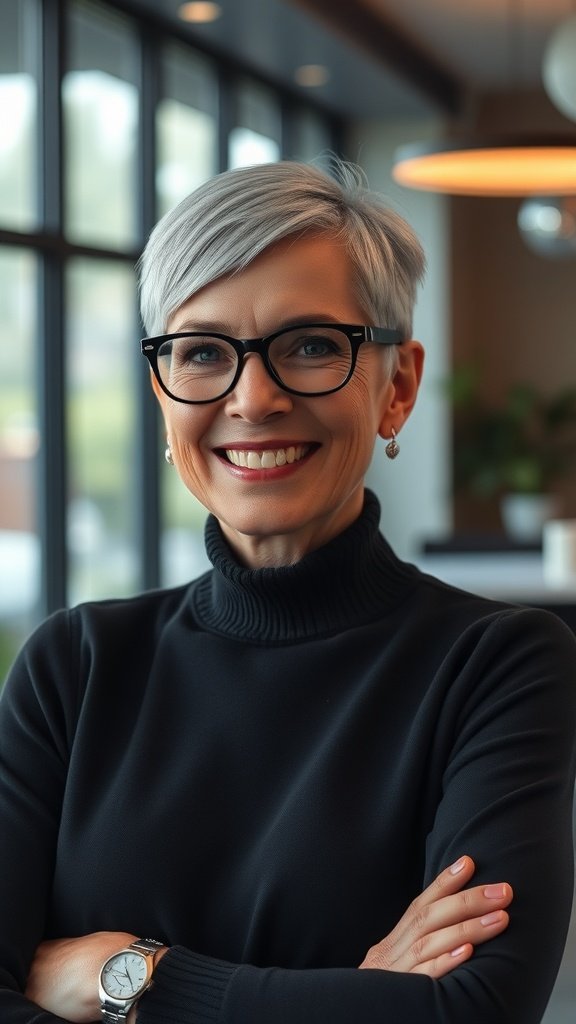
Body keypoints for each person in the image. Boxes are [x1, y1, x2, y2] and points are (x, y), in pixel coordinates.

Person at [1, 158, 575, 1024]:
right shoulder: (74, 666)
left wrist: (131, 974)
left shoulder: (497, 665)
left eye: (311, 346)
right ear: (163, 395)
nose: (253, 397)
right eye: (201, 352)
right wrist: (362, 995)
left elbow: (474, 1013)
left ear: (399, 386)